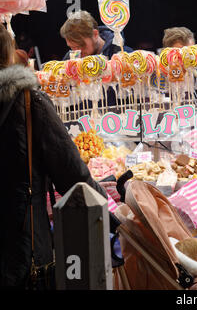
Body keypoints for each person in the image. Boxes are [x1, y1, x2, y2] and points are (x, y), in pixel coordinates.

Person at [0, 24, 114, 288]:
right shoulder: (29, 102)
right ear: (8, 53)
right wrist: (108, 204)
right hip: (20, 243)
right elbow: (72, 175)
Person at [60, 10, 133, 60]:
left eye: (81, 45)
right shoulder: (69, 60)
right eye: (72, 47)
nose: (77, 52)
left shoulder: (123, 54)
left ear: (95, 34)